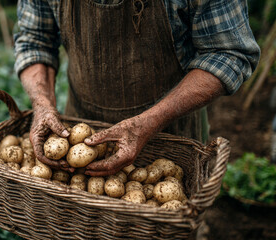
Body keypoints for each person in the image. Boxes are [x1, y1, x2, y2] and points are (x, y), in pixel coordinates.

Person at [14, 0, 260, 176]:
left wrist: (150, 121)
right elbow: (35, 41)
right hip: (81, 129)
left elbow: (229, 52)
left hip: (170, 139)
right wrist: (42, 104)